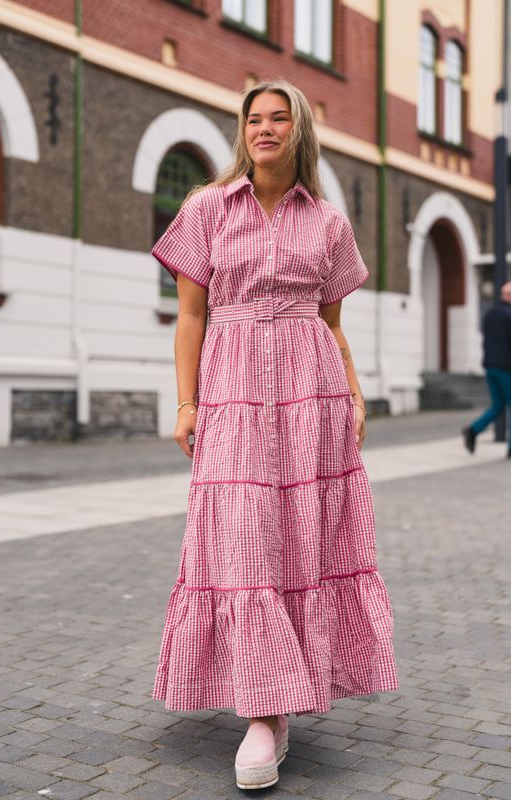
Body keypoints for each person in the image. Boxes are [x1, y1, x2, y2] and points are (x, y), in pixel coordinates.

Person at [150, 79, 399, 791]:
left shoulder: (326, 223)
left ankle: (276, 708)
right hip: (229, 388)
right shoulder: (206, 207)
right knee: (240, 535)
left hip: (311, 393)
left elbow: (332, 327)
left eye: (276, 119)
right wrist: (185, 402)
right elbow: (192, 316)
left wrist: (352, 396)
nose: (263, 129)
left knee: (301, 536)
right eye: (253, 119)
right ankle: (265, 702)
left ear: (299, 131)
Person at [462, 281, 511, 458]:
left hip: (490, 366)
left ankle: (473, 430)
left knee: (498, 405)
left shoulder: (490, 314)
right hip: (507, 368)